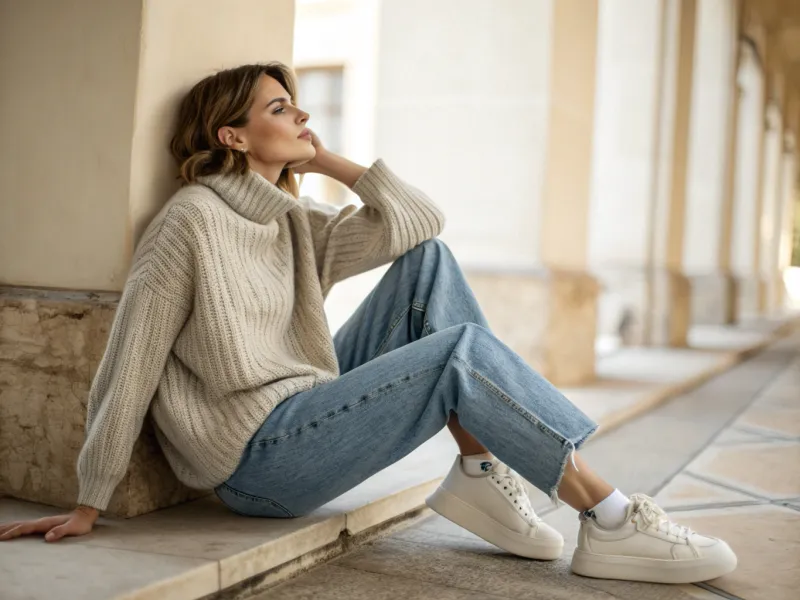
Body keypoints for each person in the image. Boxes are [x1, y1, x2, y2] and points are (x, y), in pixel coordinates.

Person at [0, 62, 736, 585]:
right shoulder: (188, 224)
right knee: (461, 353)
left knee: (430, 264)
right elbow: (129, 357)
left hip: (306, 409)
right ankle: (608, 519)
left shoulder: (294, 220)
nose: (303, 117)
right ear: (231, 136)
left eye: (297, 105)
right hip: (259, 463)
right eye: (281, 109)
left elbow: (419, 225)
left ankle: (481, 473)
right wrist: (89, 498)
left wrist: (329, 163)